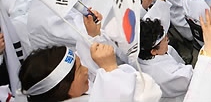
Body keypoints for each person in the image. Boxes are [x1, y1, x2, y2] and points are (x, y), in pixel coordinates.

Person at [19, 43, 161, 101]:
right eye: (79, 69)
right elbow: (148, 94)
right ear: (64, 87)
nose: (86, 70)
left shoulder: (78, 93)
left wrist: (94, 35)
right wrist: (111, 69)